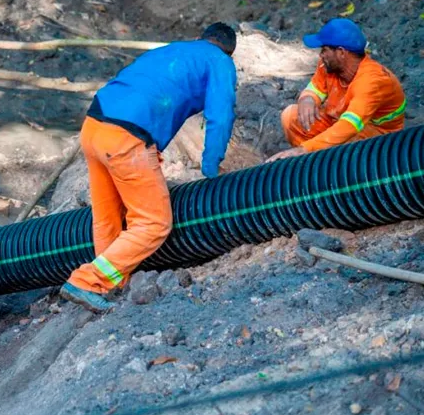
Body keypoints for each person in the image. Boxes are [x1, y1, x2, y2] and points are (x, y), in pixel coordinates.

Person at [60, 23, 238, 314]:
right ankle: (88, 281)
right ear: (229, 52)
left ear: (200, 38)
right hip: (126, 137)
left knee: (108, 216)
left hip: (94, 126)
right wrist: (210, 168)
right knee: (154, 223)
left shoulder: (176, 49)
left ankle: (111, 284)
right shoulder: (220, 62)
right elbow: (221, 116)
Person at [268, 18, 406, 161]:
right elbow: (315, 88)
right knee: (291, 117)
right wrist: (308, 99)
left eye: (324, 50)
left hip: (376, 138)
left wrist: (305, 149)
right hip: (340, 122)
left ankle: (332, 169)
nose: (320, 55)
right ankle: (317, 163)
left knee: (346, 143)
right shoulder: (329, 65)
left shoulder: (372, 81)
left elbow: (350, 125)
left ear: (341, 52)